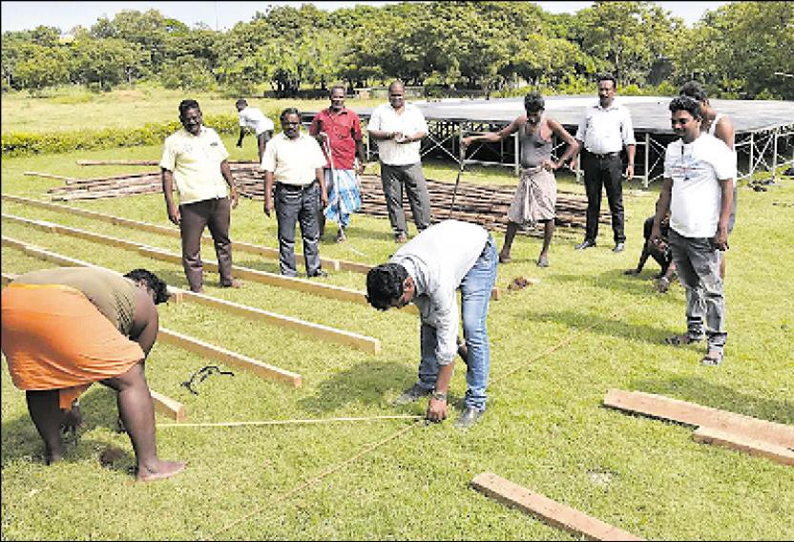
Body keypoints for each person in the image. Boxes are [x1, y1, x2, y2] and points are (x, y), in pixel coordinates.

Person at [0, 267, 186, 482]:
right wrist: (128, 419)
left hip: (11, 301)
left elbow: (69, 357)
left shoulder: (98, 283)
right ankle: (150, 467)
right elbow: (129, 366)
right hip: (60, 301)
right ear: (145, 285)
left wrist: (72, 403)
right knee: (131, 377)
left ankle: (55, 453)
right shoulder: (141, 296)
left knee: (40, 376)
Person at [365, 220, 498, 429]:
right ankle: (426, 382)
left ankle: (476, 401)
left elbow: (445, 334)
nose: (400, 308)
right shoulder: (396, 268)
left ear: (407, 285)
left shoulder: (437, 279)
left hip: (479, 254)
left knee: (473, 325)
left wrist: (440, 395)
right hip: (447, 249)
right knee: (428, 323)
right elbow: (431, 317)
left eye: (399, 303)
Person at [651, 96, 735, 366]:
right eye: (673, 121)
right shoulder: (673, 150)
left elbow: (727, 189)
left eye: (683, 121)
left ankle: (716, 343)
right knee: (690, 286)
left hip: (704, 233)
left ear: (698, 120)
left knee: (712, 289)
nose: (677, 126)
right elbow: (666, 190)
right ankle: (694, 331)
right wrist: (657, 226)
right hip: (678, 231)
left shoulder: (715, 149)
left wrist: (722, 228)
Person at [462, 92, 579, 267]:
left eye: (535, 114)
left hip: (543, 176)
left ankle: (544, 253)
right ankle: (506, 250)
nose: (532, 118)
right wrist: (473, 138)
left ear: (542, 110)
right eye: (529, 113)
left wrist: (558, 163)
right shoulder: (521, 121)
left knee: (547, 215)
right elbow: (499, 135)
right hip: (526, 176)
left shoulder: (550, 123)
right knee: (515, 214)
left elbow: (573, 143)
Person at [161, 99, 242, 293]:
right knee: (191, 247)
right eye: (188, 119)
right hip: (192, 201)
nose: (192, 122)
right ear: (181, 119)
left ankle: (227, 278)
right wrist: (170, 204)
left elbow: (223, 162)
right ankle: (196, 286)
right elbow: (167, 173)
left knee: (223, 240)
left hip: (218, 197)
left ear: (201, 115)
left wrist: (232, 186)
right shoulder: (174, 142)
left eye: (195, 118)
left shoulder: (211, 134)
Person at [571, 73, 636, 253]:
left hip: (612, 161)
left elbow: (629, 140)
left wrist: (630, 164)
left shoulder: (622, 112)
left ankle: (620, 239)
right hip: (591, 159)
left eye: (608, 89)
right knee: (593, 201)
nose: (604, 93)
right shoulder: (589, 110)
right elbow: (580, 137)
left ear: (614, 91)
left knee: (615, 201)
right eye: (601, 89)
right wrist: (574, 157)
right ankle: (590, 238)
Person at [262, 107, 329, 277]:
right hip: (286, 193)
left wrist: (323, 192)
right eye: (287, 123)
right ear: (282, 124)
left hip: (309, 191)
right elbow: (268, 172)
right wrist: (268, 199)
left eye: (294, 123)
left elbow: (319, 167)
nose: (291, 127)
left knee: (311, 234)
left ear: (300, 123)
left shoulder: (310, 142)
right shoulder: (274, 144)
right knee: (287, 236)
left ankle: (314, 270)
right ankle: (289, 271)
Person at [679, 81, 736, 279]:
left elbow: (725, 165)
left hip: (720, 191)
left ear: (703, 102)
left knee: (716, 242)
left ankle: (717, 285)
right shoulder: (699, 123)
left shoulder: (722, 124)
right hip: (701, 190)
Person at [367, 80, 432, 243]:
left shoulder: (414, 111)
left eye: (399, 95)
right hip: (389, 162)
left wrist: (410, 138)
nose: (397, 98)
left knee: (419, 196)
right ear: (389, 94)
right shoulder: (380, 111)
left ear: (404, 94)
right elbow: (372, 132)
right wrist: (389, 135)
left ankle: (423, 228)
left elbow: (423, 132)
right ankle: (400, 231)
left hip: (411, 161)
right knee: (393, 198)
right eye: (393, 95)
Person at [309, 85, 367, 243]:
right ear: (330, 97)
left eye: (340, 97)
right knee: (323, 196)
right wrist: (318, 138)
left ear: (345, 98)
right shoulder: (321, 116)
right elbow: (310, 137)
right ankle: (319, 231)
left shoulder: (352, 116)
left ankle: (341, 230)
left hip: (345, 163)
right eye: (335, 97)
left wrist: (362, 161)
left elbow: (359, 140)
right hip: (326, 164)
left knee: (344, 198)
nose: (337, 100)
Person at [624, 208, 677, 293]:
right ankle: (664, 269)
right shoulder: (650, 223)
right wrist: (638, 268)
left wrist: (667, 277)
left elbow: (679, 254)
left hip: (680, 255)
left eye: (667, 216)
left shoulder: (678, 226)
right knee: (652, 244)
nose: (664, 219)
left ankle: (676, 273)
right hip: (666, 252)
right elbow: (647, 246)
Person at [235, 98, 275, 163]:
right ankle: (272, 164)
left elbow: (242, 130)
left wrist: (240, 141)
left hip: (262, 128)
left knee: (262, 148)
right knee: (269, 147)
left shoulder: (242, 113)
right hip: (270, 125)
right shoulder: (255, 109)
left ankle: (264, 166)